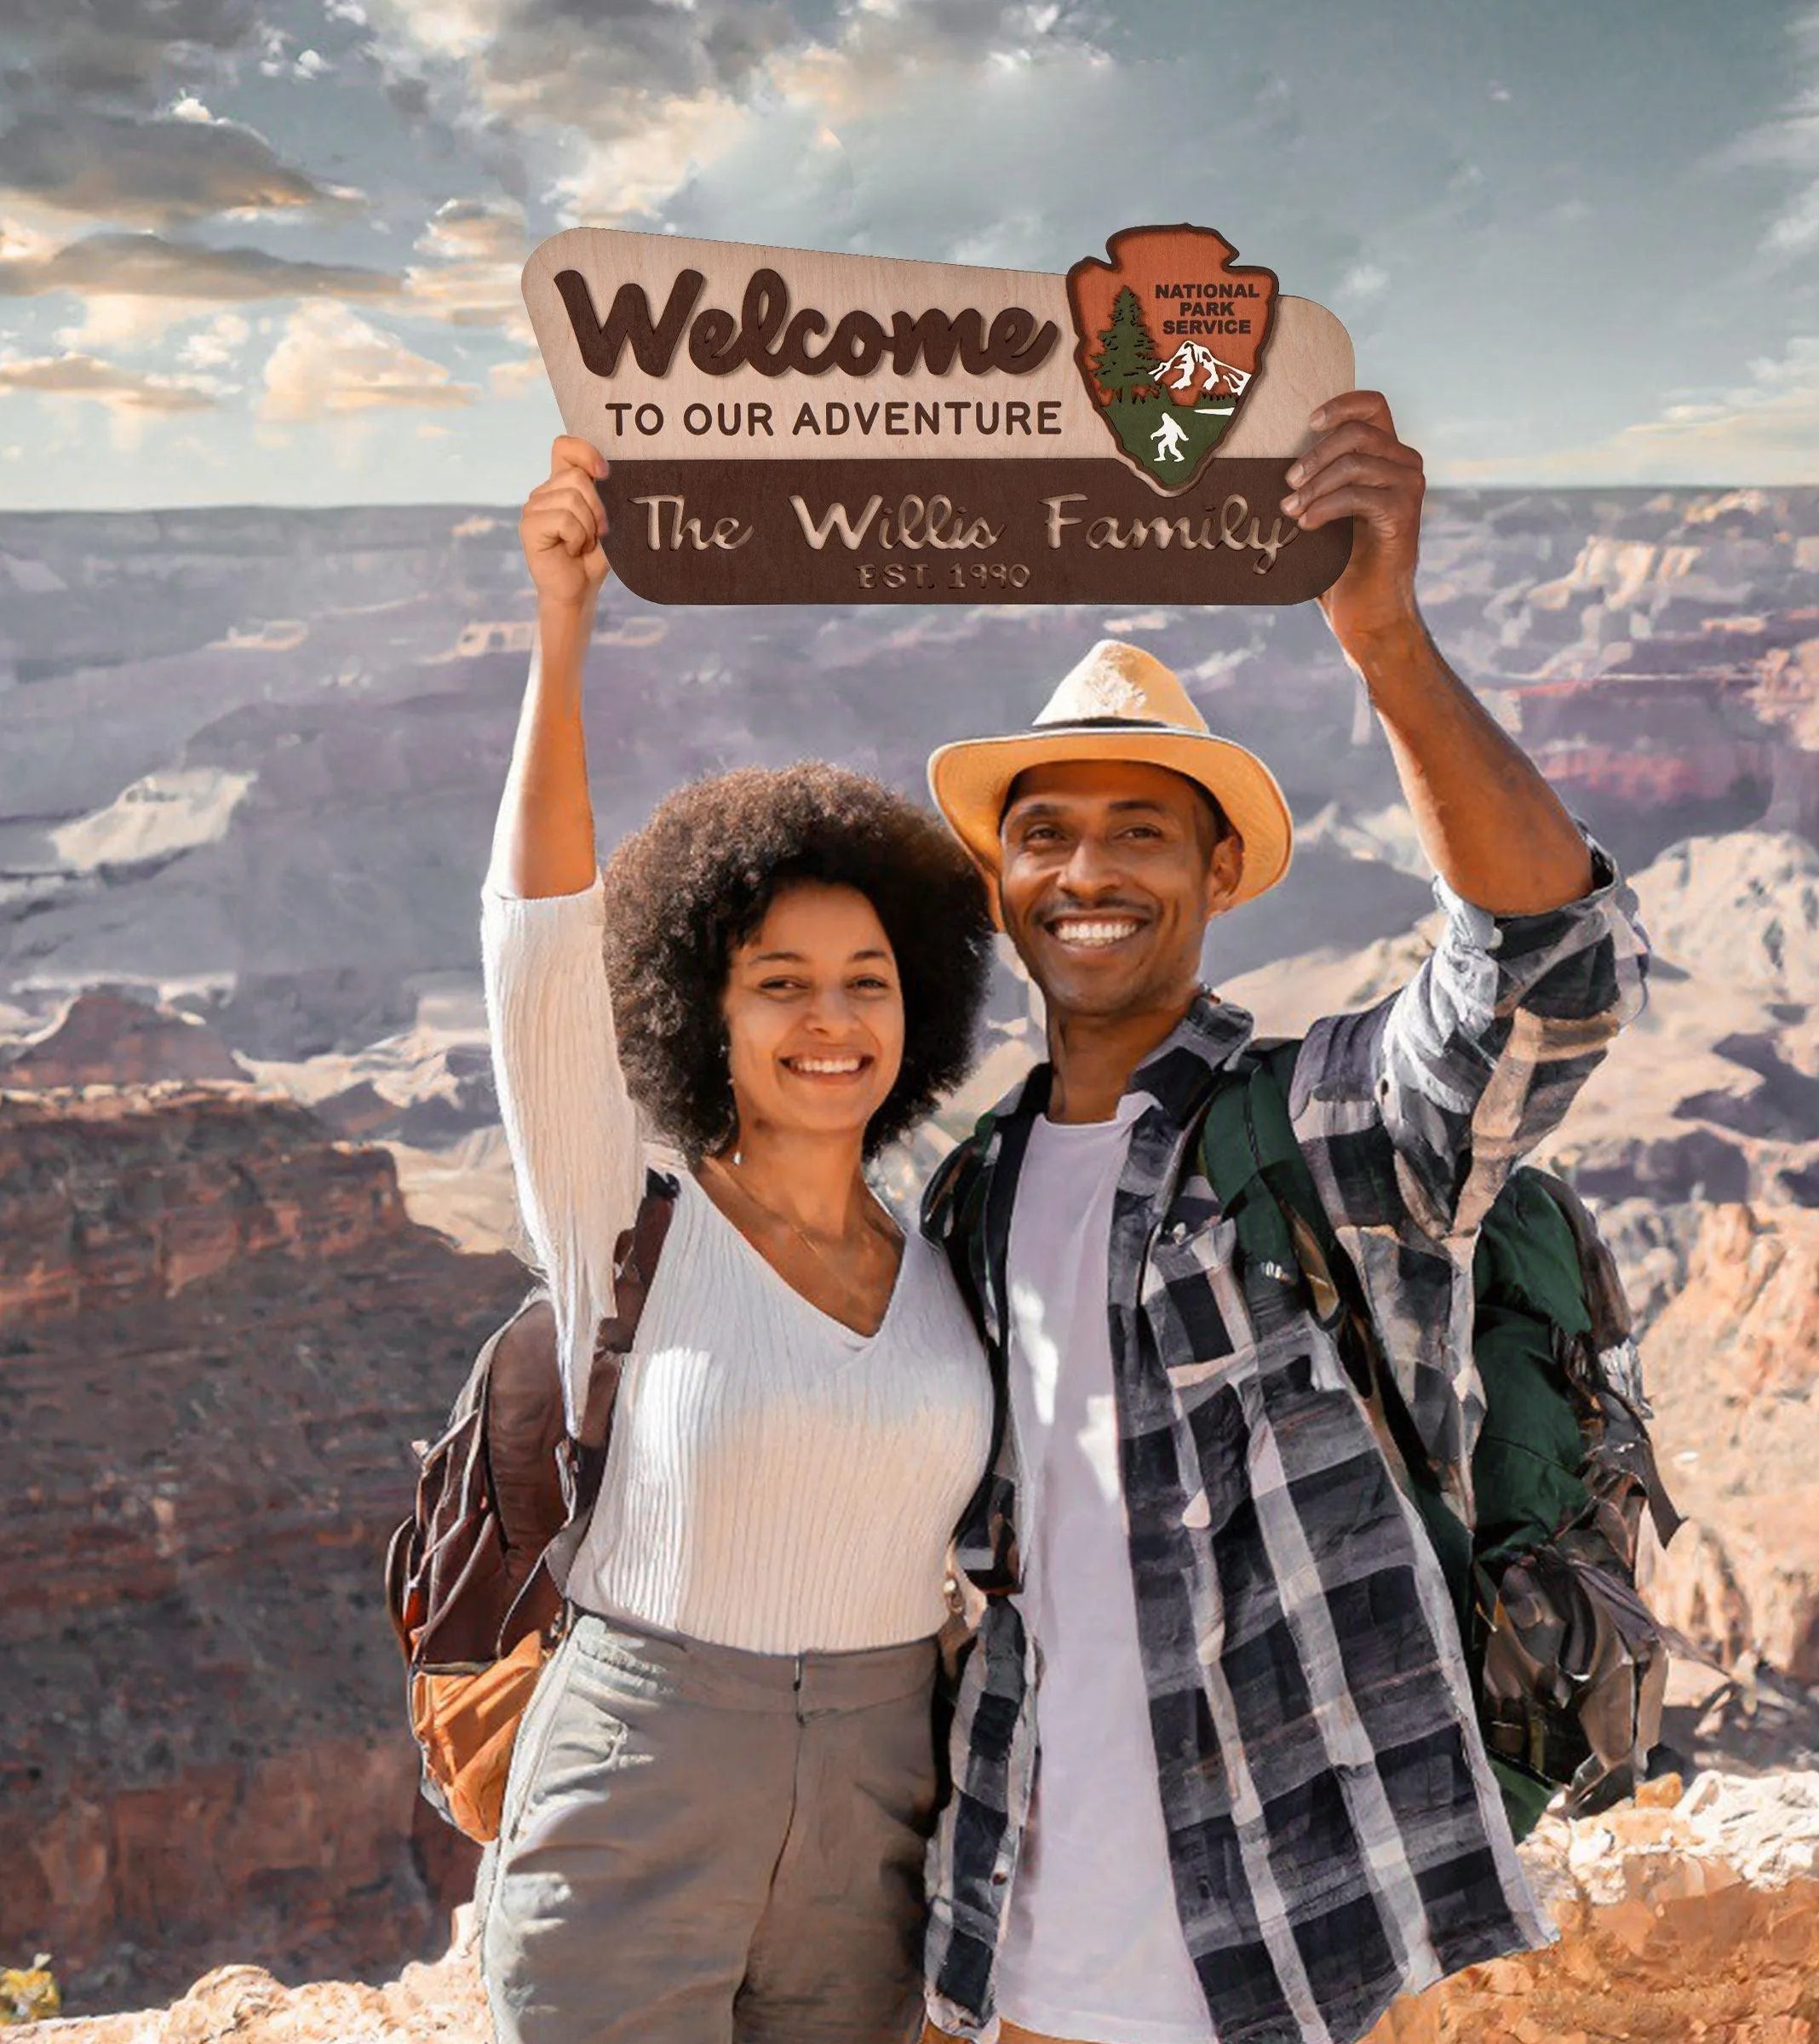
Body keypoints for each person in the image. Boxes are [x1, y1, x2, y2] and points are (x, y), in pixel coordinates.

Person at [914, 391, 1651, 2044]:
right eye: (1045, 833)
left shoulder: (1307, 1130)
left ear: (1219, 874)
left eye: (1139, 830)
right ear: (999, 883)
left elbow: (1549, 976)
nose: (1085, 868)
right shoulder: (967, 1197)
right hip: (1002, 1969)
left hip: (1290, 1959)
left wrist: (1385, 641)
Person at [478, 434, 1000, 2044]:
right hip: (641, 1777)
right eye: (780, 982)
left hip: (882, 1804)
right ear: (705, 1010)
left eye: (868, 980)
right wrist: (561, 635)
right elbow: (535, 952)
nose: (831, 1022)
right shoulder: (622, 1218)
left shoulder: (948, 1265)